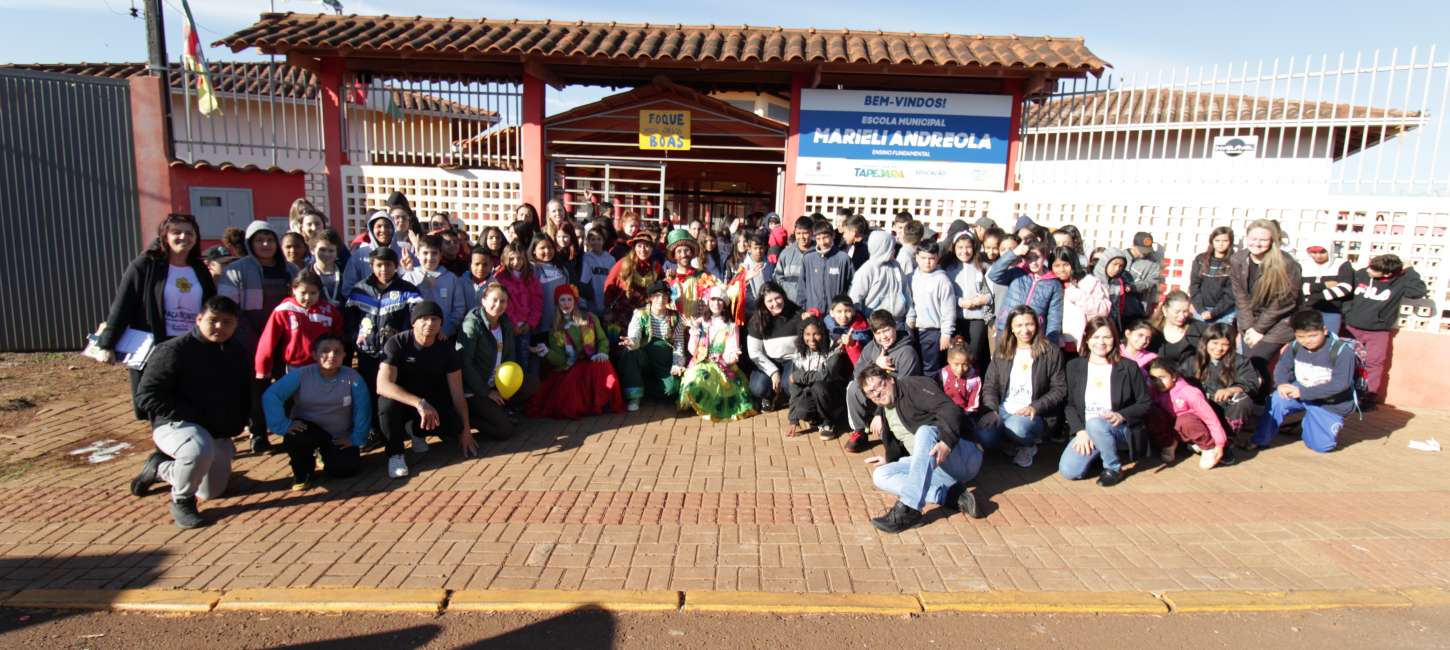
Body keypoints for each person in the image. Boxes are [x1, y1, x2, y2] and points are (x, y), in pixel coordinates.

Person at [127, 297, 248, 529]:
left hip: (214, 430)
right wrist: (190, 415)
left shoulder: (236, 351)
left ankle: (159, 469)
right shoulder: (173, 350)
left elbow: (242, 392)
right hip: (176, 424)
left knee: (212, 491)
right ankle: (182, 502)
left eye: (227, 322)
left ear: (235, 325)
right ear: (199, 319)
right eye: (213, 320)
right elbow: (146, 396)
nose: (220, 327)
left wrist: (237, 422)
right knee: (197, 450)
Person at [97, 213, 216, 420]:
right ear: (165, 235)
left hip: (191, 344)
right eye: (176, 232)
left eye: (189, 233)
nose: (183, 237)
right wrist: (107, 343)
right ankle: (164, 445)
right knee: (158, 399)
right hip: (156, 346)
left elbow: (210, 307)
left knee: (191, 397)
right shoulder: (145, 265)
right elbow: (122, 305)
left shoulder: (199, 269)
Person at [860, 365, 985, 533]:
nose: (876, 393)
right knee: (881, 475)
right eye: (870, 392)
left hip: (963, 454)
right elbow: (903, 441)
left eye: (879, 385)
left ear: (890, 379)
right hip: (936, 465)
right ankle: (949, 496)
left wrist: (947, 442)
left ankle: (910, 509)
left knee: (925, 430)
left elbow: (950, 409)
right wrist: (888, 459)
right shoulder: (885, 407)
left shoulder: (914, 386)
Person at [218, 220, 299, 452]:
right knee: (257, 389)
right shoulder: (237, 270)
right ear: (250, 243)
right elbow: (229, 308)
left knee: (288, 389)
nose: (266, 244)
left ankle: (289, 430)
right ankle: (258, 433)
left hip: (286, 340)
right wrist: (252, 340)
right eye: (260, 240)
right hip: (250, 339)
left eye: (270, 240)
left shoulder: (290, 270)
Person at [375, 302, 474, 478]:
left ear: (441, 323)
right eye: (423, 319)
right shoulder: (397, 343)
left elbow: (458, 395)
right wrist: (419, 403)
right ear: (413, 322)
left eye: (434, 319)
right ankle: (395, 454)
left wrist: (466, 431)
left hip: (432, 403)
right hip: (404, 403)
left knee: (455, 425)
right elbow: (382, 385)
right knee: (386, 403)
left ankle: (416, 432)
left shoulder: (447, 348)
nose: (429, 323)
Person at [261, 333, 369, 490]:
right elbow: (271, 395)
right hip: (307, 430)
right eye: (325, 351)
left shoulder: (353, 377)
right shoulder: (301, 375)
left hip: (338, 435)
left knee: (345, 469)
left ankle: (324, 455)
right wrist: (283, 425)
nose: (331, 355)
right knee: (295, 437)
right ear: (314, 354)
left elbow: (363, 408)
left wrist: (356, 437)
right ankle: (303, 471)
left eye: (337, 351)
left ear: (344, 355)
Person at [1056, 316, 1154, 486]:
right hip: (1087, 430)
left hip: (1119, 429)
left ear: (1115, 340)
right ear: (1087, 339)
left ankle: (1113, 468)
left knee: (1096, 424)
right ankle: (1101, 452)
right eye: (1095, 337)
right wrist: (1080, 431)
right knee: (1069, 471)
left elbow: (1145, 403)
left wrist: (1122, 415)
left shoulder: (1129, 367)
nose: (1101, 342)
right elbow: (1070, 404)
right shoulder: (1074, 366)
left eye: (1107, 337)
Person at [1251, 310, 1357, 453]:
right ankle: (1260, 439)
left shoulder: (1342, 352)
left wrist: (1302, 392)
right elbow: (1282, 367)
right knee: (1276, 399)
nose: (1307, 341)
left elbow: (1340, 384)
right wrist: (1281, 383)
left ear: (1324, 331)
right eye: (1301, 336)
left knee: (1322, 447)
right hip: (1301, 390)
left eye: (1313, 335)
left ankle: (1309, 422)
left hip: (1330, 402)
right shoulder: (1294, 346)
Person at [976, 305, 1067, 468]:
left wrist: (1036, 407)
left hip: (1034, 416)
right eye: (1019, 325)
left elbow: (1059, 389)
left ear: (1037, 325)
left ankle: (1028, 444)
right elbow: (990, 385)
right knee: (984, 435)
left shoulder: (1051, 352)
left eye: (1029, 324)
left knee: (1016, 427)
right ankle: (1010, 443)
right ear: (1011, 328)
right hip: (1004, 410)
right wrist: (992, 410)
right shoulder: (1002, 351)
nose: (1025, 330)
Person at [344, 246, 422, 421]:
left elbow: (417, 317)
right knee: (368, 392)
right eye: (379, 265)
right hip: (367, 353)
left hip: (395, 354)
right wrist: (356, 338)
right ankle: (372, 428)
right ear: (372, 266)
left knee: (393, 391)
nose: (384, 269)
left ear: (396, 266)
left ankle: (395, 428)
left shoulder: (408, 290)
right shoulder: (360, 290)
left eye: (388, 265)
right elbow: (349, 319)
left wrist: (405, 341)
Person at [525, 284, 623, 419]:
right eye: (562, 300)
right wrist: (547, 351)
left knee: (603, 365)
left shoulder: (590, 318)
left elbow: (602, 340)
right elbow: (560, 360)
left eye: (569, 299)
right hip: (572, 366)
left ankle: (604, 403)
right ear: (557, 303)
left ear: (575, 301)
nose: (566, 304)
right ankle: (590, 405)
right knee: (570, 402)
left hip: (592, 360)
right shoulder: (556, 329)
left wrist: (601, 352)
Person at [457, 282, 541, 440]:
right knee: (505, 430)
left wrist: (507, 387)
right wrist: (487, 392)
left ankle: (500, 408)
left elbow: (509, 357)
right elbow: (466, 364)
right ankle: (467, 420)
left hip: (495, 382)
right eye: (494, 300)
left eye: (503, 301)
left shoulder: (505, 323)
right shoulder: (472, 325)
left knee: (532, 383)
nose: (498, 305)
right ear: (483, 300)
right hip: (476, 389)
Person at [1343, 254, 1427, 405]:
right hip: (1351, 326)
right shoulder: (1362, 274)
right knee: (1344, 359)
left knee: (1375, 363)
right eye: (1370, 266)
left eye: (1374, 270)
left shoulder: (1401, 281)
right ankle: (1341, 393)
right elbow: (1347, 292)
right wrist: (1347, 312)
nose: (1369, 270)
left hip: (1378, 331)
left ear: (1387, 273)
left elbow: (1418, 291)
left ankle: (1368, 397)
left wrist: (1410, 270)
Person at [1232, 220, 1303, 395]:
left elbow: (1285, 301)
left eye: (1263, 240)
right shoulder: (1238, 259)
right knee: (1250, 363)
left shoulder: (1287, 264)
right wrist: (1249, 327)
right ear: (1246, 237)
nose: (1257, 244)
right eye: (1253, 238)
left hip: (1279, 321)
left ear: (1272, 240)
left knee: (1256, 360)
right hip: (1250, 321)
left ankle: (1259, 401)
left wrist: (1259, 329)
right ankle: (1254, 400)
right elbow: (1240, 295)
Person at [843, 310, 923, 453]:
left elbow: (901, 389)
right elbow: (857, 373)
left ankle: (891, 433)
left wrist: (880, 414)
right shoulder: (872, 347)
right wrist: (876, 365)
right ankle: (860, 431)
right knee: (854, 387)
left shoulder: (907, 353)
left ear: (895, 327)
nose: (883, 337)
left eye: (886, 331)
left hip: (898, 402)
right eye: (878, 333)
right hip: (875, 397)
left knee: (892, 442)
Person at [679, 286, 755, 422]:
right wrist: (694, 332)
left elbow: (732, 350)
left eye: (720, 300)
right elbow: (692, 351)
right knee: (693, 377)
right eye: (713, 299)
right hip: (701, 362)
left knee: (715, 385)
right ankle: (698, 403)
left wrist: (728, 356)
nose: (716, 303)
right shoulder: (701, 322)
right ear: (708, 301)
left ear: (725, 304)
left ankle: (707, 406)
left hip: (722, 365)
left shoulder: (731, 326)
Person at [1182, 323, 1260, 450]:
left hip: (1226, 409)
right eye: (1215, 343)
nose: (1219, 348)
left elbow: (1251, 383)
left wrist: (1231, 389)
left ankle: (1229, 438)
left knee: (1243, 400)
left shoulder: (1240, 361)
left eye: (1224, 344)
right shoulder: (1192, 361)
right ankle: (1201, 440)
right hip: (1202, 408)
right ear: (1206, 342)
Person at [254, 271, 344, 379]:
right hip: (296, 366)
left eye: (313, 293)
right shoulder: (284, 310)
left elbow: (339, 338)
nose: (307, 297)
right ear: (294, 290)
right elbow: (268, 340)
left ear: (319, 292)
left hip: (325, 365)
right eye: (303, 292)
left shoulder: (330, 312)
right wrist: (262, 367)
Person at [1147, 359, 1230, 470]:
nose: (1157, 382)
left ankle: (1207, 447)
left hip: (1193, 428)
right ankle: (1169, 444)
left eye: (1162, 377)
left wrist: (1220, 444)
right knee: (1151, 411)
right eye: (1153, 378)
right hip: (1173, 431)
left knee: (1185, 419)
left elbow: (1210, 418)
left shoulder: (1189, 392)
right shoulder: (1153, 391)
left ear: (1173, 376)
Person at [618, 281, 688, 411]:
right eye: (657, 295)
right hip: (644, 354)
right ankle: (635, 396)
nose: (661, 299)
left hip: (664, 360)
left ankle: (645, 386)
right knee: (629, 353)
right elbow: (635, 334)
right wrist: (632, 342)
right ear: (650, 297)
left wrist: (677, 364)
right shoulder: (640, 314)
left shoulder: (675, 317)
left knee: (672, 389)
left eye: (665, 296)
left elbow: (679, 343)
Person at [988, 238, 1064, 346]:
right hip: (1007, 328)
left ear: (1044, 257)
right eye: (1029, 258)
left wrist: (1051, 343)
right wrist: (1014, 253)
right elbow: (994, 274)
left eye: (1037, 258)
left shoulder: (1053, 284)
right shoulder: (1017, 273)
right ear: (1023, 259)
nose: (1033, 263)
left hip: (1032, 332)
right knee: (1002, 360)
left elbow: (1054, 317)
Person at [786, 317, 851, 439]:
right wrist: (793, 419)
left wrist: (799, 376)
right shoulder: (800, 352)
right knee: (802, 412)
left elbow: (826, 375)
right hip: (812, 394)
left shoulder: (834, 349)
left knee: (819, 385)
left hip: (833, 394)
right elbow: (795, 386)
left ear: (823, 333)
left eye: (816, 334)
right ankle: (820, 418)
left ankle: (828, 422)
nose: (811, 339)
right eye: (807, 334)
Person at [745, 282, 804, 410]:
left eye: (777, 298)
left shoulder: (797, 313)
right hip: (769, 359)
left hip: (792, 359)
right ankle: (768, 395)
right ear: (763, 303)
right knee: (758, 387)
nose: (775, 303)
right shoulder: (757, 319)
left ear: (783, 296)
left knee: (790, 385)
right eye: (769, 301)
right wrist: (773, 372)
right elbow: (754, 352)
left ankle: (786, 393)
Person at [402, 234, 468, 338]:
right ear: (417, 254)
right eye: (425, 253)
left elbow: (459, 309)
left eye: (434, 253)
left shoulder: (451, 278)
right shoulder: (410, 276)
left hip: (443, 336)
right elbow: (403, 306)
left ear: (440, 255)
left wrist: (446, 330)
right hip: (415, 336)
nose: (430, 257)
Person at [907, 242, 956, 377]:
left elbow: (949, 309)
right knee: (913, 366)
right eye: (923, 258)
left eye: (931, 258)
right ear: (916, 257)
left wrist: (946, 334)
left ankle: (929, 395)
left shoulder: (942, 280)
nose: (927, 262)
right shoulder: (910, 278)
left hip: (932, 331)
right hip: (912, 330)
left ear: (937, 258)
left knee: (930, 369)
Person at [495, 240, 545, 369]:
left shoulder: (530, 278)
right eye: (512, 259)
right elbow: (503, 302)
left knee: (523, 359)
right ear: (505, 259)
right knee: (505, 358)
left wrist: (530, 323)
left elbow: (537, 301)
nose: (516, 262)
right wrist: (513, 322)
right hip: (507, 326)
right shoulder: (500, 278)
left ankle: (523, 385)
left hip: (525, 326)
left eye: (520, 258)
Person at [1052, 246, 1109, 356]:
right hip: (1055, 340)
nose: (1062, 270)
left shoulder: (1089, 282)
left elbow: (1103, 310)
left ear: (1073, 264)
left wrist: (1079, 296)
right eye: (1057, 266)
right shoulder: (1049, 284)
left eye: (1066, 265)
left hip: (1082, 341)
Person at [602, 231, 662, 336]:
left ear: (652, 248)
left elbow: (661, 290)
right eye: (639, 246)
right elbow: (609, 285)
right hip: (622, 314)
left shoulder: (656, 267)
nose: (643, 250)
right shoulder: (623, 263)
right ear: (634, 247)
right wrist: (608, 309)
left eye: (647, 246)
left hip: (645, 314)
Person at [950, 232, 994, 376]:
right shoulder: (949, 269)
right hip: (956, 318)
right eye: (960, 247)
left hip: (977, 318)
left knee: (973, 355)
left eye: (968, 247)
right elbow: (946, 296)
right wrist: (961, 301)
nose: (964, 251)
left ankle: (974, 383)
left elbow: (990, 293)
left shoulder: (982, 266)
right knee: (956, 354)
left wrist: (981, 300)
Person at [848, 229, 909, 326]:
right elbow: (855, 297)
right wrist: (859, 320)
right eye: (891, 247)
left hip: (897, 321)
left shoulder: (896, 266)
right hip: (875, 323)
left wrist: (910, 313)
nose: (894, 250)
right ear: (882, 248)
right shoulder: (867, 270)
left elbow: (905, 291)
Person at [1297, 237, 1355, 336]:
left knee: (1329, 341)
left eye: (1322, 252)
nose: (1318, 256)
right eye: (1313, 252)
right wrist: (1324, 285)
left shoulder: (1341, 264)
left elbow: (1345, 288)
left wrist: (1312, 295)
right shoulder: (1302, 265)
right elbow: (1296, 287)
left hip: (1331, 312)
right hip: (1305, 311)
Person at [342, 210, 405, 293]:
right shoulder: (359, 255)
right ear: (371, 229)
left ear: (393, 228)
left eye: (387, 226)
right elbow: (348, 287)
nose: (383, 230)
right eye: (378, 226)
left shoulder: (405, 252)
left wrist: (409, 270)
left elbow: (416, 282)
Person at [662, 229, 718, 322]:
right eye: (679, 251)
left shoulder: (703, 277)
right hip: (676, 328)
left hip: (698, 326)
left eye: (686, 250)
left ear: (692, 253)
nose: (684, 255)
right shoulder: (669, 280)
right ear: (674, 255)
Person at [799, 220, 854, 316]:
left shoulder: (843, 258)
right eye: (818, 238)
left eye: (825, 238)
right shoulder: (808, 258)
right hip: (813, 313)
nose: (822, 242)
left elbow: (852, 286)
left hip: (837, 316)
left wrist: (846, 309)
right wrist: (802, 309)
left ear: (833, 236)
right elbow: (802, 287)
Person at [1189, 227, 1236, 324]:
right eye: (1217, 240)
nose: (1220, 244)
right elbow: (1194, 285)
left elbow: (1231, 294)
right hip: (1201, 310)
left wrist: (1214, 313)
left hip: (1225, 312)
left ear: (1230, 242)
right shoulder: (1201, 259)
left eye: (1225, 241)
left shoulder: (1235, 262)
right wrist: (1201, 310)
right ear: (1212, 241)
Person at [726, 231, 774, 323]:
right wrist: (745, 278)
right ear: (749, 249)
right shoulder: (743, 266)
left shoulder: (769, 264)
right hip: (747, 309)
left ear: (765, 248)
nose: (758, 251)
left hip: (765, 307)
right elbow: (731, 286)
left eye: (761, 248)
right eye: (755, 248)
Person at [1149, 290, 1205, 370]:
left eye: (1185, 311)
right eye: (1177, 312)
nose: (1182, 316)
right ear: (1165, 310)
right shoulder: (1152, 331)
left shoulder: (1199, 329)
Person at [940, 340, 983, 436]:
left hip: (965, 416)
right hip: (944, 413)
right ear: (949, 361)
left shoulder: (974, 380)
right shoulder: (942, 374)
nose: (960, 369)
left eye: (965, 365)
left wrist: (962, 417)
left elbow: (973, 406)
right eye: (956, 364)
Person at [530, 235, 571, 331]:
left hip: (561, 323)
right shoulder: (532, 269)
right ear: (534, 251)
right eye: (542, 248)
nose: (547, 251)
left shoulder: (561, 268)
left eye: (550, 247)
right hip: (540, 324)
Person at [1093, 247, 1140, 329]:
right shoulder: (1091, 280)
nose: (1117, 269)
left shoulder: (1117, 282)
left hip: (1111, 326)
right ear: (1106, 262)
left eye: (1121, 266)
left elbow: (1117, 309)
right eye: (1114, 264)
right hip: (1093, 325)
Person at [774, 216, 815, 304]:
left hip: (812, 305)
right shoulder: (786, 253)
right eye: (798, 233)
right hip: (790, 303)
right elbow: (777, 278)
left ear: (812, 232)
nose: (802, 237)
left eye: (805, 233)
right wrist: (790, 290)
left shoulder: (819, 253)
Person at [823, 294, 871, 367]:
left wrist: (852, 340)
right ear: (832, 313)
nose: (843, 316)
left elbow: (865, 340)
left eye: (847, 311)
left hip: (853, 366)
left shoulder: (861, 327)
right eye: (839, 311)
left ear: (853, 312)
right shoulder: (827, 324)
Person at [579, 224, 615, 318]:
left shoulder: (610, 259)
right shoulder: (586, 258)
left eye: (599, 239)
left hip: (606, 302)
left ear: (603, 240)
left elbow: (614, 281)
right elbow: (584, 281)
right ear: (588, 241)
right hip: (591, 304)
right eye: (593, 239)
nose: (596, 242)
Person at [307, 229, 347, 305]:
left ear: (337, 252)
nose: (326, 254)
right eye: (322, 250)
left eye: (331, 251)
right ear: (312, 250)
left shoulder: (345, 273)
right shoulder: (306, 275)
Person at [1127, 232, 1163, 315]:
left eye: (1147, 250)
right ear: (1133, 245)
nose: (1145, 253)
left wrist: (1133, 287)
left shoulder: (1153, 263)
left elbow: (1151, 282)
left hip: (1137, 309)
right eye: (1142, 250)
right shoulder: (1121, 256)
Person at [462, 246, 495, 311]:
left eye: (485, 264)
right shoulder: (460, 282)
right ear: (470, 266)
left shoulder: (495, 285)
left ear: (491, 266)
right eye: (477, 264)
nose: (481, 268)